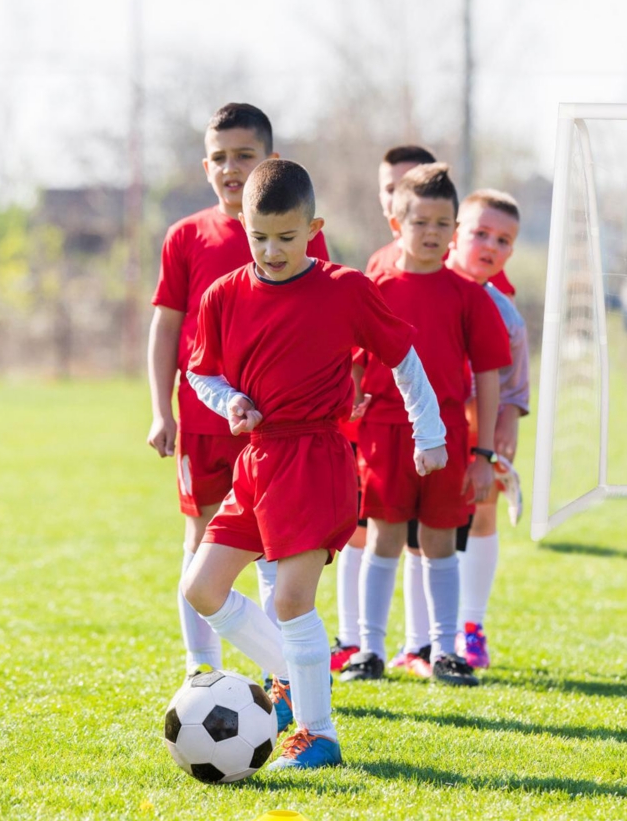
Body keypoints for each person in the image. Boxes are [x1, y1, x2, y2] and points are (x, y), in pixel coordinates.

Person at [182, 159, 447, 769]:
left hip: (316, 458)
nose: (272, 251)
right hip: (258, 459)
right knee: (201, 588)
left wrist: (428, 433)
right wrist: (231, 401)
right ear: (242, 226)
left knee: (291, 602)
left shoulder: (344, 289)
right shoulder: (223, 295)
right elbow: (200, 372)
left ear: (313, 228)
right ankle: (294, 676)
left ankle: (318, 734)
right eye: (259, 237)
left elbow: (404, 358)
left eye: (286, 237)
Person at [146, 103, 330, 694]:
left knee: (279, 547)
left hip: (279, 429)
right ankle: (202, 668)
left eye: (244, 155)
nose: (231, 168)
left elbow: (328, 320)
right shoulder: (186, 236)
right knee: (201, 540)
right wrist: (161, 409)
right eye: (220, 158)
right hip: (204, 422)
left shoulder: (300, 238)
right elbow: (166, 327)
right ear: (206, 166)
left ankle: (283, 675)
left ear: (270, 161)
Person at [341, 163, 511, 687]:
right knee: (383, 538)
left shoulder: (468, 294)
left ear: (454, 229)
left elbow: (488, 377)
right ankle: (369, 650)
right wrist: (352, 398)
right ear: (397, 223)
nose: (432, 233)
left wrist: (483, 454)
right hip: (384, 432)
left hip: (449, 436)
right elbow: (351, 359)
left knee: (439, 543)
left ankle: (443, 650)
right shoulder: (374, 287)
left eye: (443, 224)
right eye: (420, 222)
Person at [332, 144, 439, 675]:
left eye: (407, 185)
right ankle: (353, 639)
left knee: (425, 537)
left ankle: (422, 644)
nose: (396, 195)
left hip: (433, 425)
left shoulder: (449, 268)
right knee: (363, 529)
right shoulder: (377, 266)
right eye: (389, 188)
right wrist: (353, 385)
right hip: (376, 421)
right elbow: (358, 339)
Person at [445, 189, 531, 669]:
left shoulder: (506, 313)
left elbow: (514, 385)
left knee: (481, 514)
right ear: (456, 233)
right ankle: (421, 638)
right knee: (421, 531)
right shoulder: (424, 289)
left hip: (478, 432)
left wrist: (507, 424)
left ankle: (471, 627)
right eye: (481, 233)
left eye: (503, 240)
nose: (491, 246)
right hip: (424, 429)